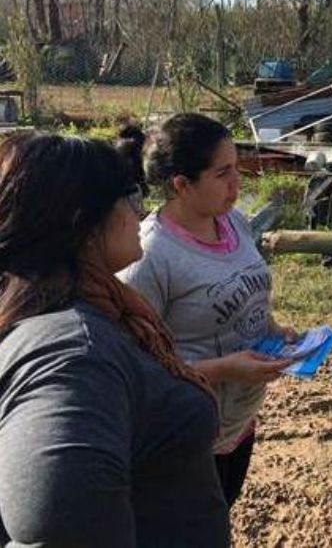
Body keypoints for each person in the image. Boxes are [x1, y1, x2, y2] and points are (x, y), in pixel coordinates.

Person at [0, 132, 230, 546]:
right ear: (86, 222)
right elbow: (60, 531)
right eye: (129, 198)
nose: (139, 213)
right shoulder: (76, 354)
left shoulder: (84, 312)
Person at [118, 113, 296, 509]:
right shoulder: (150, 257)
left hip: (238, 423)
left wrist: (275, 331)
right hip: (186, 437)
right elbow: (136, 371)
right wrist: (225, 369)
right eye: (223, 173)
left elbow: (250, 295)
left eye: (236, 167)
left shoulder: (232, 221)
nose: (238, 183)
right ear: (182, 185)